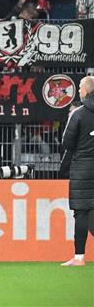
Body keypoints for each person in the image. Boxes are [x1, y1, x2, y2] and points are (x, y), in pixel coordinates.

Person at [59, 76, 94, 266]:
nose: (79, 91)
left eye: (80, 87)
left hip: (82, 168)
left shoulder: (78, 113)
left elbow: (67, 142)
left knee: (81, 213)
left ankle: (79, 257)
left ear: (86, 90)